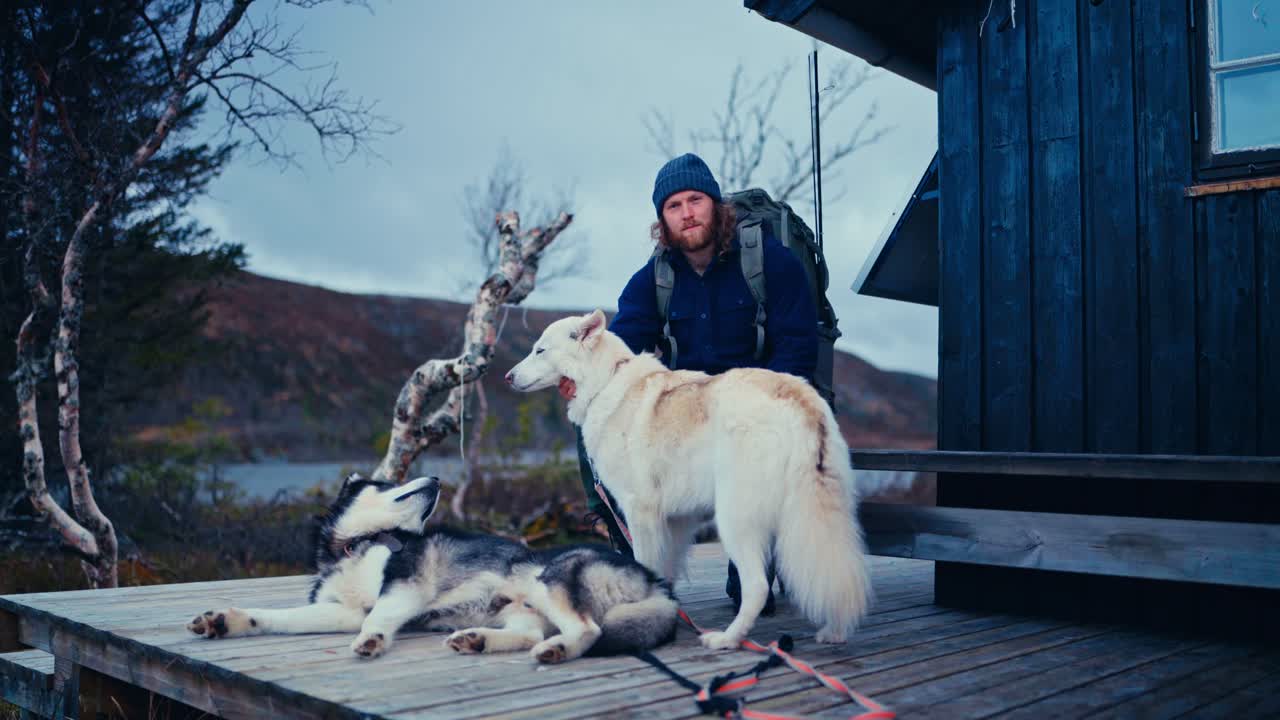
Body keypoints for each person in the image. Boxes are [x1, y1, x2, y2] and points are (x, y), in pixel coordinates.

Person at [577, 152, 819, 613]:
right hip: (688, 420)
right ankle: (634, 554)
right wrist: (580, 380)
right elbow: (619, 351)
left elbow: (798, 350)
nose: (687, 212)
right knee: (590, 419)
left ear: (715, 204)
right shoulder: (654, 279)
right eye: (674, 206)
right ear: (662, 220)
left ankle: (759, 554)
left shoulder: (771, 260)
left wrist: (758, 406)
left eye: (696, 200)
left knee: (750, 595)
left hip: (758, 410)